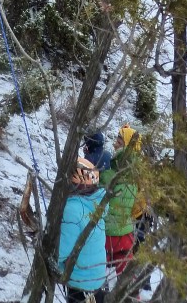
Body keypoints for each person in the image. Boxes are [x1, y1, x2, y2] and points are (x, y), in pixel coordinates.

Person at [58, 158, 108, 303]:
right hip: (96, 277)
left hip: (80, 280)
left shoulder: (73, 210)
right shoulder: (97, 202)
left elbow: (61, 251)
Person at [100, 125, 141, 278]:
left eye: (119, 140)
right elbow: (139, 206)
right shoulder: (138, 172)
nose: (114, 143)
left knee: (96, 278)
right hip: (127, 233)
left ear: (126, 144)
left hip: (107, 234)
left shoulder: (110, 173)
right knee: (126, 282)